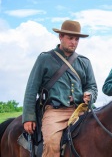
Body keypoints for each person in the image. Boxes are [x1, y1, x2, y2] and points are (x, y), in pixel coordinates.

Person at [22, 20, 98, 156]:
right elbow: (31, 89)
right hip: (55, 112)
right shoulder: (45, 59)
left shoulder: (84, 62)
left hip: (80, 110)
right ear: (61, 37)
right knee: (51, 143)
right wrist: (28, 117)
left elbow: (92, 86)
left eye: (76, 39)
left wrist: (89, 95)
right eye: (70, 38)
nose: (73, 42)